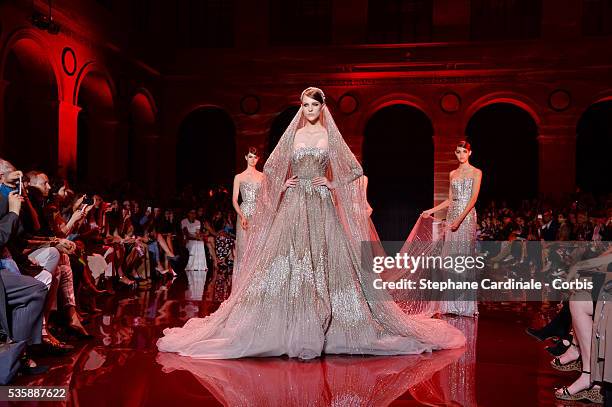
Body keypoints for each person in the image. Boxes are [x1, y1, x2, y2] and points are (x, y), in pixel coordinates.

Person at [157, 87, 465, 359]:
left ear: (322, 107)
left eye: (313, 105)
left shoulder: (329, 136)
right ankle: (287, 318)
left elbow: (354, 169)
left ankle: (328, 317)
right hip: (294, 202)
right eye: (305, 105)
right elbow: (275, 166)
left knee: (323, 256)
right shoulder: (296, 134)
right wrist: (282, 184)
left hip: (319, 201)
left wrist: (332, 185)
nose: (309, 110)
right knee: (290, 257)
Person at [420, 141, 482, 317]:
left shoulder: (476, 172)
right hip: (453, 214)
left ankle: (464, 306)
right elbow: (450, 199)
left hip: (467, 216)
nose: (461, 155)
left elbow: (473, 199)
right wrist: (430, 211)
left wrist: (460, 220)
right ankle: (450, 305)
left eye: (464, 151)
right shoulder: (452, 173)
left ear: (470, 153)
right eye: (458, 152)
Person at [231, 147, 263, 283]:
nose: (253, 159)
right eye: (250, 156)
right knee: (243, 248)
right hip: (244, 213)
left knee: (256, 247)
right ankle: (241, 284)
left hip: (258, 213)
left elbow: (265, 198)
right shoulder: (239, 177)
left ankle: (254, 284)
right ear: (246, 157)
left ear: (258, 159)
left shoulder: (262, 176)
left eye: (255, 157)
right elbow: (234, 200)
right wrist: (242, 216)